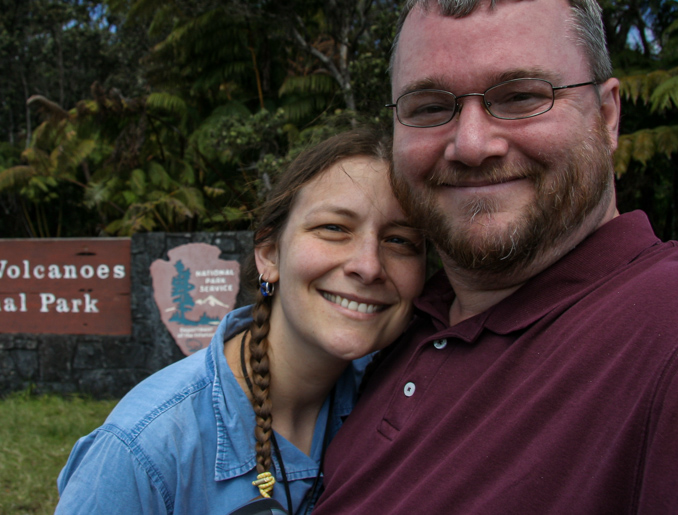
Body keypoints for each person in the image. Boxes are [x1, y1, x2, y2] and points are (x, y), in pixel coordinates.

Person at [314, 0, 678, 514]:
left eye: (520, 98)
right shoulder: (387, 325)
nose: (471, 145)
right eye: (430, 107)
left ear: (607, 116)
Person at [55, 127, 426, 514]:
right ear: (269, 254)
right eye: (333, 228)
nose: (368, 266)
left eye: (400, 240)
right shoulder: (145, 448)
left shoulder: (400, 403)